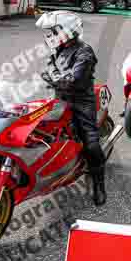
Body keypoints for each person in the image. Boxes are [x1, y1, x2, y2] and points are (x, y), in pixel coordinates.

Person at [36, 11, 107, 206]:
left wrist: (54, 77)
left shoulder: (85, 51)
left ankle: (98, 183)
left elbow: (74, 80)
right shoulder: (57, 49)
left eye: (53, 31)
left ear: (66, 31)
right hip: (59, 98)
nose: (49, 36)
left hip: (81, 102)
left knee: (91, 143)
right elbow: (48, 70)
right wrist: (55, 77)